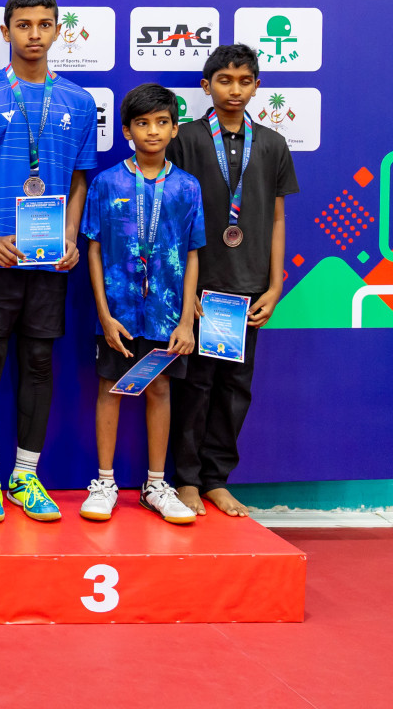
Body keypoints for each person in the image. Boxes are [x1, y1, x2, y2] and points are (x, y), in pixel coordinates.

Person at [0, 0, 97, 523]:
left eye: (44, 25)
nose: (34, 34)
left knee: (39, 361)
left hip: (49, 260)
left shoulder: (80, 102)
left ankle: (25, 475)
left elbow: (81, 179)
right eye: (23, 25)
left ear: (58, 30)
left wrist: (70, 236)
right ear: (5, 32)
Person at [166, 44, 298, 516]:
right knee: (195, 385)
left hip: (249, 290)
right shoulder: (185, 140)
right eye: (224, 80)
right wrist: (184, 288)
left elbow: (277, 219)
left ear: (257, 86)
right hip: (201, 291)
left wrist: (275, 285)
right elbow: (171, 214)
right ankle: (184, 479)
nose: (235, 90)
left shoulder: (273, 143)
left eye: (245, 81)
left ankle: (215, 479)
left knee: (235, 388)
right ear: (206, 86)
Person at [79, 84, 202, 525]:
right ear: (127, 130)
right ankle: (105, 481)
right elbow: (92, 248)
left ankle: (154, 484)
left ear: (174, 128)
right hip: (119, 314)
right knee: (110, 390)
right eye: (143, 123)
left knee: (161, 389)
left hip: (167, 315)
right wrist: (103, 314)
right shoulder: (106, 182)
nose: (153, 131)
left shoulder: (187, 187)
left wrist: (187, 320)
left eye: (162, 122)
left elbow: (192, 253)